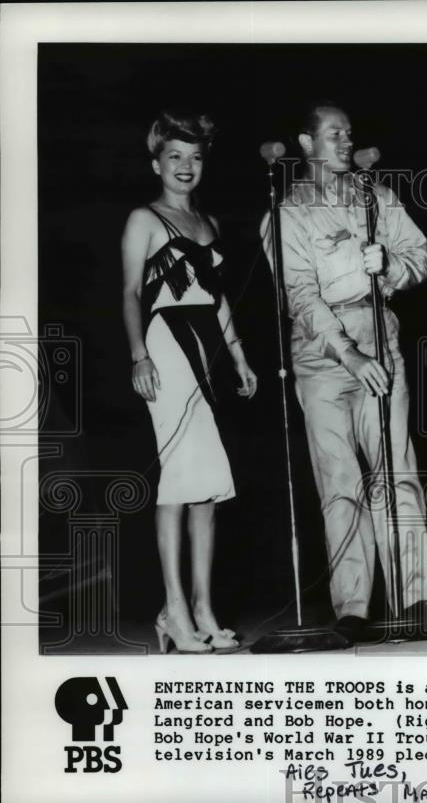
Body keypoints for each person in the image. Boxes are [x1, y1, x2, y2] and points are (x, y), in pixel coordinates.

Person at [261, 101, 427, 644]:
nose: (345, 142)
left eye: (349, 134)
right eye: (333, 134)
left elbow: (419, 258)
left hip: (381, 342)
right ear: (306, 142)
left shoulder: (378, 198)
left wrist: (389, 263)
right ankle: (354, 608)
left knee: (397, 471)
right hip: (323, 356)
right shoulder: (287, 212)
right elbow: (300, 295)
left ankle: (418, 599)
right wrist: (350, 355)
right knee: (340, 482)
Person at [122, 110, 258, 653]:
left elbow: (218, 299)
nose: (186, 166)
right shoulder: (145, 218)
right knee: (180, 473)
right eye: (175, 156)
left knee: (207, 483)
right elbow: (132, 292)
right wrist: (137, 356)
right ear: (156, 163)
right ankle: (174, 610)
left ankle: (201, 608)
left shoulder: (208, 223)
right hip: (164, 344)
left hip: (205, 348)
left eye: (195, 157)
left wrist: (240, 357)